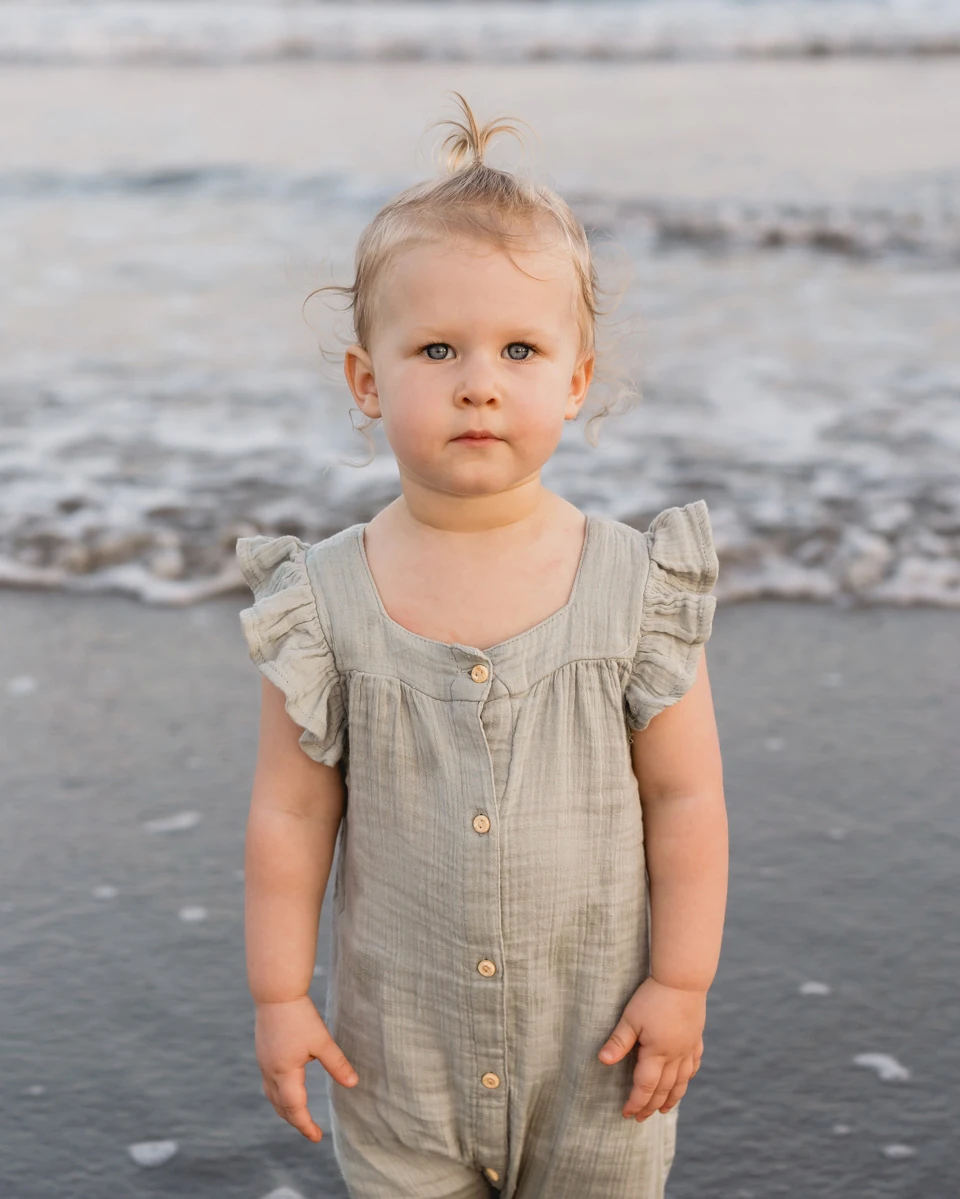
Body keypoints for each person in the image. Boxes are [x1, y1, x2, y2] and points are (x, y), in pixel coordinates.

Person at [236, 91, 728, 1199]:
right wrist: (280, 993)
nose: (479, 380)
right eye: (436, 347)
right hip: (399, 1066)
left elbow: (687, 797)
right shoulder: (321, 602)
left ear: (576, 377)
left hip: (599, 1056)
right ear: (368, 381)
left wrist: (682, 982)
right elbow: (289, 811)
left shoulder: (635, 588)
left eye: (519, 346)